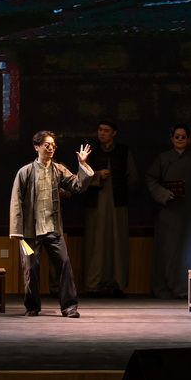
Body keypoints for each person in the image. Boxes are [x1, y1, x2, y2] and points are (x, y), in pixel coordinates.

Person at [10, 132, 93, 317]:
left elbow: (77, 185)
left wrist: (82, 164)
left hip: (53, 230)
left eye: (53, 145)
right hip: (29, 233)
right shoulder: (25, 172)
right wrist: (16, 231)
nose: (51, 148)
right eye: (47, 145)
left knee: (64, 264)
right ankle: (32, 306)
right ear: (36, 147)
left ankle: (69, 306)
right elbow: (16, 201)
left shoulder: (58, 170)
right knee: (30, 268)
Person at [83, 120, 138, 298]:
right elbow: (79, 179)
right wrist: (97, 175)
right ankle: (93, 284)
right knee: (96, 242)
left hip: (117, 203)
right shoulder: (90, 151)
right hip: (96, 204)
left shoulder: (124, 151)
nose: (102, 133)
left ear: (114, 133)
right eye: (100, 130)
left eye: (106, 130)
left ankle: (117, 284)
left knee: (117, 242)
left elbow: (132, 178)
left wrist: (122, 190)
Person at [146, 125, 191, 300]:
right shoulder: (163, 158)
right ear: (171, 138)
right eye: (177, 136)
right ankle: (164, 289)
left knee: (187, 252)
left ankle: (187, 290)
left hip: (188, 211)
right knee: (167, 250)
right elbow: (151, 179)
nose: (180, 140)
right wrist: (163, 194)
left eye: (183, 137)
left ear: (188, 139)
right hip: (168, 210)